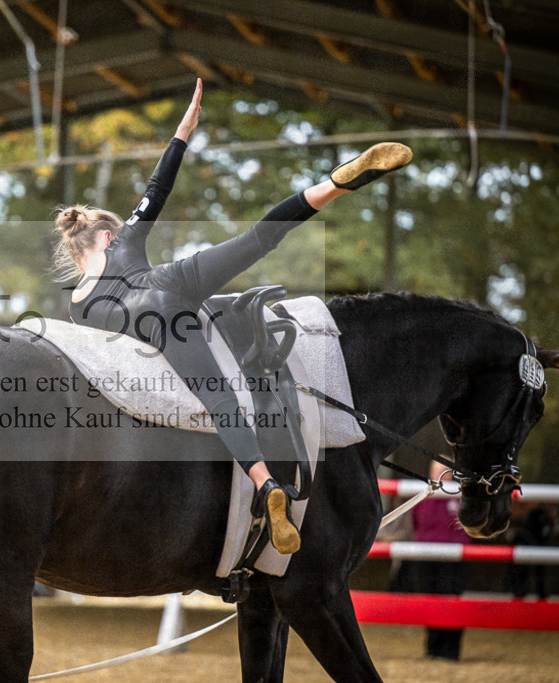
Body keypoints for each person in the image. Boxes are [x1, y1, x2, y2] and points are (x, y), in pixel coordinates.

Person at [52, 79, 411, 554]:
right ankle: (331, 185)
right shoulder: (124, 237)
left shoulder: (76, 305)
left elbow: (103, 358)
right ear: (105, 236)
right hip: (174, 282)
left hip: (155, 325)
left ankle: (265, 485)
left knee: (220, 403)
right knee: (259, 237)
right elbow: (159, 186)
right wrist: (183, 130)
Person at [411, 460, 471, 660]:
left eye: (443, 471)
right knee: (429, 598)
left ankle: (451, 650)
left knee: (451, 598)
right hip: (426, 555)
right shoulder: (422, 495)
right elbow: (415, 522)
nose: (438, 475)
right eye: (435, 471)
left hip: (452, 557)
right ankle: (432, 648)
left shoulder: (460, 496)